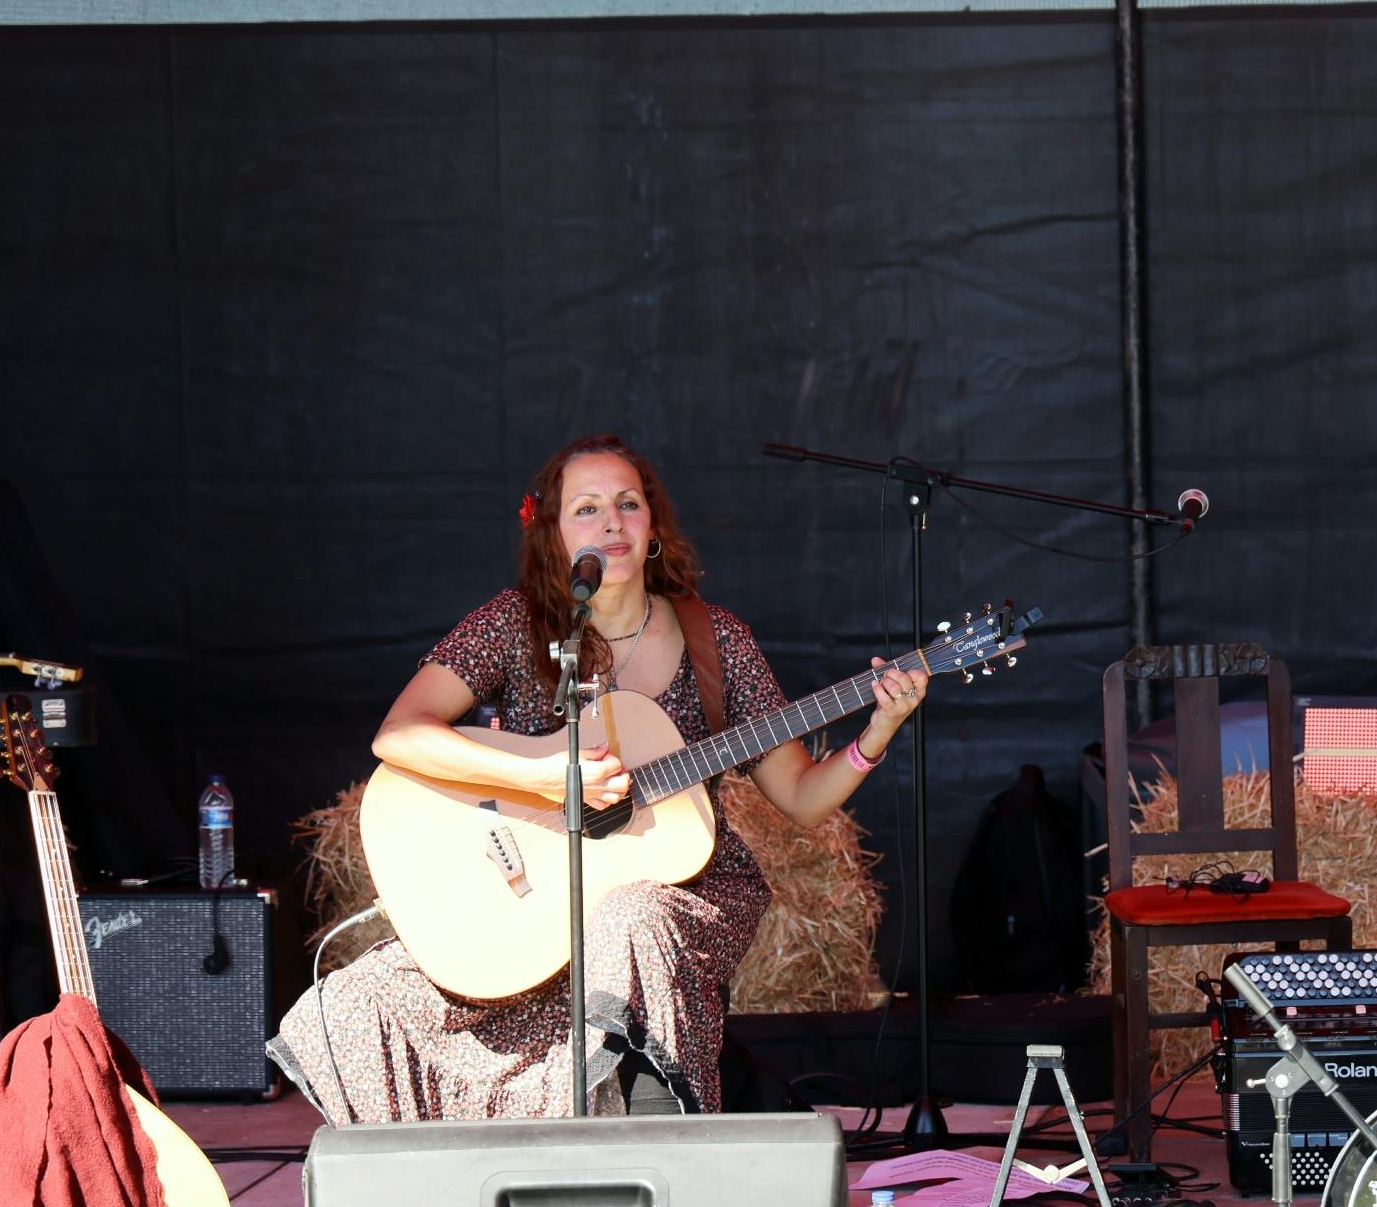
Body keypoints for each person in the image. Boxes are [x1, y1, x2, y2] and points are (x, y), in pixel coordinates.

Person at [269, 434, 927, 1121]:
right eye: (587, 508)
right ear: (552, 536)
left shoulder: (717, 640)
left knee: (631, 919)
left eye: (628, 503)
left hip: (682, 896)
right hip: (541, 898)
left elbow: (801, 797)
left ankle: (655, 1152)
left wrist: (877, 732)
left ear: (653, 528)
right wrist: (547, 779)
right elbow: (400, 734)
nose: (612, 522)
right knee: (358, 998)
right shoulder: (514, 624)